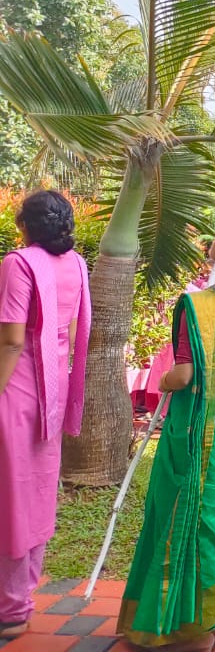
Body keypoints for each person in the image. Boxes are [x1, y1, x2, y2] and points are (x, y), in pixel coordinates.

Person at [117, 221, 215, 648]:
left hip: (197, 435)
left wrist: (163, 380)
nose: (214, 238)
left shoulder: (197, 304)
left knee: (187, 519)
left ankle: (191, 630)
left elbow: (184, 374)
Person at [0, 191, 90, 640]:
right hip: (52, 388)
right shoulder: (75, 264)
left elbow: (12, 340)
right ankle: (19, 599)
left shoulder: (17, 263)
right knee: (35, 491)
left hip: (16, 387)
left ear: (25, 225)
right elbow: (70, 330)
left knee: (12, 495)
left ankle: (11, 608)